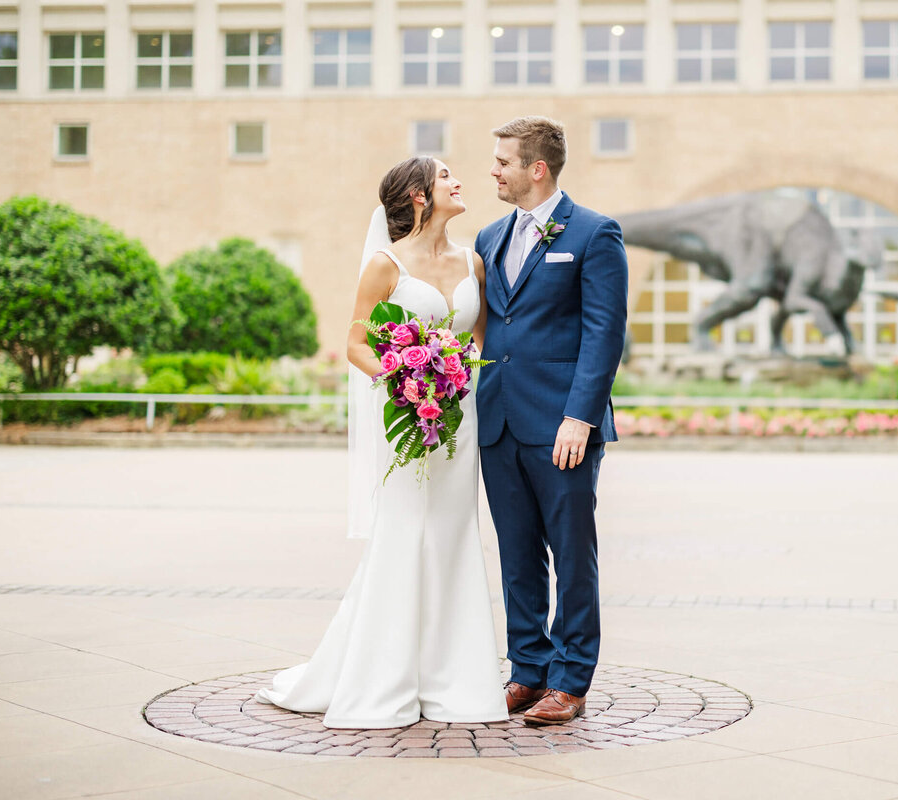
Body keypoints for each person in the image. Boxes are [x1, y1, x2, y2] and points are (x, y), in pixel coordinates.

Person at [254, 156, 508, 729]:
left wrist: (457, 381)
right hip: (409, 417)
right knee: (403, 536)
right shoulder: (384, 264)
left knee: (451, 536)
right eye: (447, 177)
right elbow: (355, 342)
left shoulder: (474, 261)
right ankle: (383, 676)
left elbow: (483, 341)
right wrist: (401, 379)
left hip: (459, 421)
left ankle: (454, 679)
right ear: (419, 195)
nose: (459, 182)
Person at [474, 116, 629, 726]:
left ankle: (570, 680)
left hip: (564, 427)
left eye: (503, 162)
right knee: (516, 555)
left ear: (537, 169)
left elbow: (604, 334)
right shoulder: (489, 236)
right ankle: (529, 670)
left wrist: (579, 418)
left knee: (572, 552)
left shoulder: (594, 234)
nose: (494, 170)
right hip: (500, 422)